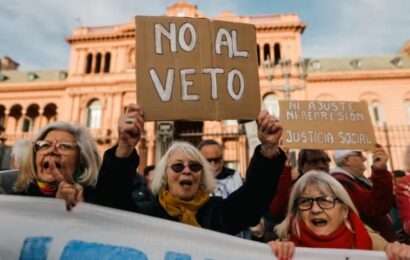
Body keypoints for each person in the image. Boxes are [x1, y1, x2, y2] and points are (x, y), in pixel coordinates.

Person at [95, 104, 286, 235]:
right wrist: (125, 146)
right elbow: (110, 198)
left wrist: (268, 149)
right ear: (164, 176)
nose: (186, 171)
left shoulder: (218, 213)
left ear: (202, 176)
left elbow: (253, 199)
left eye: (195, 166)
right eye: (178, 166)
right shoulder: (145, 213)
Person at [269, 170, 410, 260]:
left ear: (344, 210)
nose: (315, 209)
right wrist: (270, 254)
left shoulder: (376, 246)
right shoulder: (283, 250)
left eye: (325, 200)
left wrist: (399, 253)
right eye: (305, 201)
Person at [13, 121, 101, 210]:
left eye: (64, 146)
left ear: (82, 160)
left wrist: (77, 210)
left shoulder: (97, 200)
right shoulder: (12, 199)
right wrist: (57, 207)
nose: (51, 150)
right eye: (45, 145)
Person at [330, 147, 396, 241]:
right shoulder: (342, 182)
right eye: (359, 154)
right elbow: (374, 207)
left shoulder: (352, 180)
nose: (364, 158)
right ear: (346, 160)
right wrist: (380, 171)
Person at [266, 149, 332, 241]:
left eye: (325, 161)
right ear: (302, 166)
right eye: (314, 162)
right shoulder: (294, 188)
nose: (321, 165)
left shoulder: (335, 188)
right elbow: (277, 212)